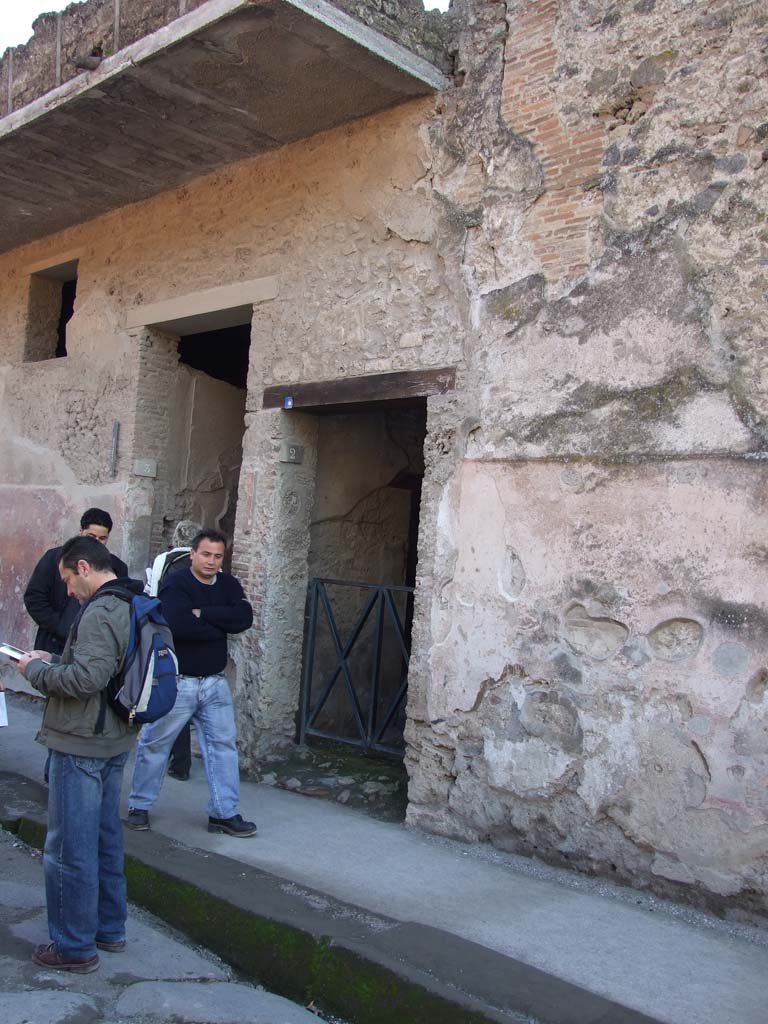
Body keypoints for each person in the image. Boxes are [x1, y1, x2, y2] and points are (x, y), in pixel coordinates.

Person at [18, 536, 143, 973]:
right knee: (106, 836)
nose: (68, 591)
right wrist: (52, 656)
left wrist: (34, 670)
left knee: (70, 845)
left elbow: (85, 680)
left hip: (81, 742)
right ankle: (110, 929)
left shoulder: (101, 610)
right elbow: (105, 668)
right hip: (114, 738)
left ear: (85, 567)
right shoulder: (132, 600)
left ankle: (73, 946)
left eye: (69, 580)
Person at [126, 529, 257, 837]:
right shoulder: (177, 583)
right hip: (179, 682)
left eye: (218, 556)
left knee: (223, 747)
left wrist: (205, 614)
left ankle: (224, 813)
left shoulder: (228, 584)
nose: (211, 562)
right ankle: (139, 807)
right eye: (206, 555)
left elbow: (244, 617)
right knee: (156, 744)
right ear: (193, 555)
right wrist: (218, 626)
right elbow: (179, 624)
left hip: (214, 683)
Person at [24, 508, 129, 657]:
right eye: (91, 536)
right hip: (52, 644)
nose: (96, 542)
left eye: (102, 538)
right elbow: (34, 598)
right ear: (81, 531)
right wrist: (60, 626)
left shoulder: (116, 567)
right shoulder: (54, 558)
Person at [144, 520, 201, 781]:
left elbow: (153, 594)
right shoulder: (199, 565)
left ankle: (170, 759)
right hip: (194, 638)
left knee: (168, 696)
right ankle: (181, 762)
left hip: (165, 634)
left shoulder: (162, 562)